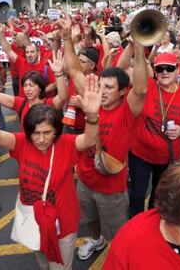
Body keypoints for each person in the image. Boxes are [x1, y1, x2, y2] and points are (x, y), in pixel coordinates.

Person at [0, 72, 102, 270]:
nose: (41, 139)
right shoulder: (22, 143)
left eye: (47, 133)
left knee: (59, 267)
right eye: (36, 133)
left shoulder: (66, 144)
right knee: (42, 263)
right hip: (34, 219)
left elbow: (89, 140)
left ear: (56, 131)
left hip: (62, 222)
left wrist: (92, 117)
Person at [57, 13, 149, 261]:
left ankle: (119, 256)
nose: (102, 91)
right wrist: (67, 37)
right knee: (91, 220)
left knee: (117, 232)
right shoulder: (92, 96)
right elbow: (74, 68)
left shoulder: (127, 111)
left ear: (121, 92)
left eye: (109, 88)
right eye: (101, 85)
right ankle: (96, 240)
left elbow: (140, 89)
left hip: (112, 189)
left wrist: (138, 49)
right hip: (85, 181)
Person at [127, 52, 180, 218]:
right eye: (160, 69)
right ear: (154, 71)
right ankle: (136, 223)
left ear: (178, 69)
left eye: (170, 68)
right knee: (137, 194)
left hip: (167, 158)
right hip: (140, 155)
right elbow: (124, 69)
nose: (165, 72)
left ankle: (152, 224)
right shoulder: (146, 86)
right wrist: (135, 47)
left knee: (158, 195)